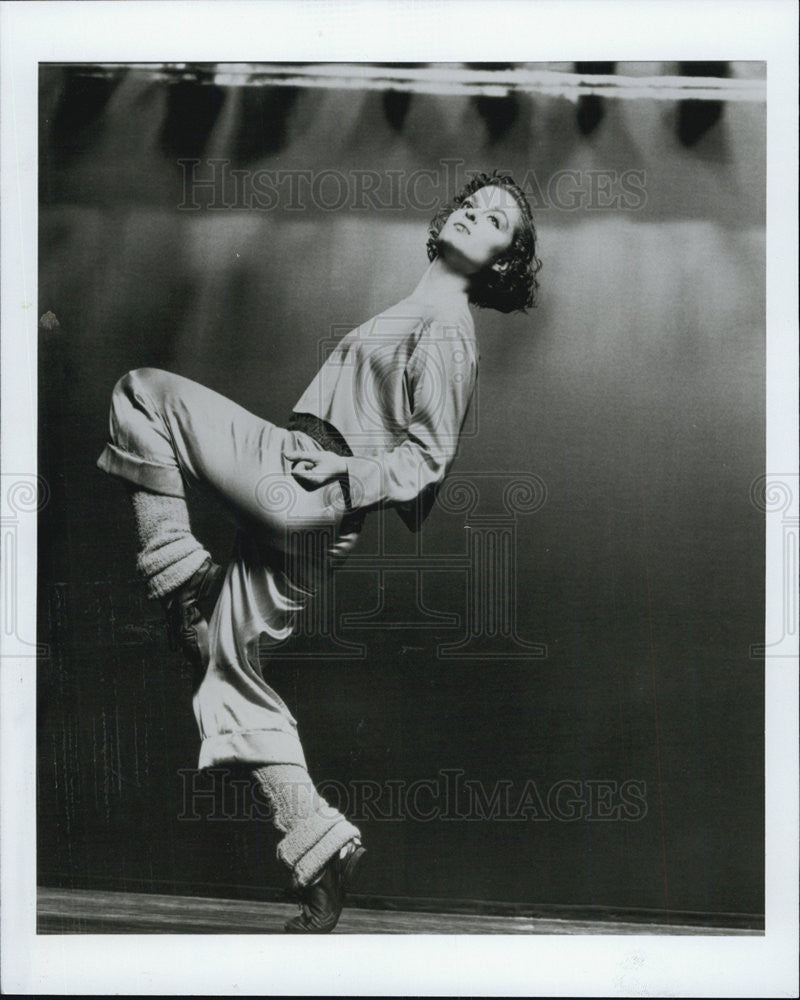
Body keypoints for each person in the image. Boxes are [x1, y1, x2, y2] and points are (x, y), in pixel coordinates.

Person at [96, 169, 542, 932]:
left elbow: (428, 460)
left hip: (305, 480)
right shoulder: (421, 306)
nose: (476, 213)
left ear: (504, 261)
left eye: (497, 218)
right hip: (319, 519)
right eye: (473, 203)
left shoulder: (449, 329)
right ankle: (321, 849)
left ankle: (181, 571)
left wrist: (343, 468)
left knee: (140, 394)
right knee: (221, 670)